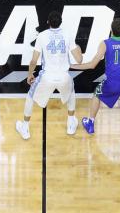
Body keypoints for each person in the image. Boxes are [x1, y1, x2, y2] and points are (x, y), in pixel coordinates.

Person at [15, 11, 86, 140]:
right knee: (71, 92)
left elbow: (33, 61)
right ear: (61, 22)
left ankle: (24, 127)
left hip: (47, 77)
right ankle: (71, 124)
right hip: (64, 76)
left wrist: (30, 74)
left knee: (30, 97)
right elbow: (79, 60)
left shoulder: (41, 36)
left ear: (48, 22)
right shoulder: (67, 35)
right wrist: (78, 48)